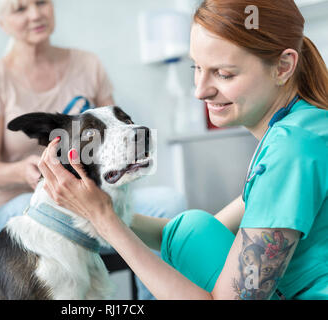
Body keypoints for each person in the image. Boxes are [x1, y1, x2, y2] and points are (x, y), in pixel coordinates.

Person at [37, 0, 328, 300]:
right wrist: (89, 207)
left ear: (283, 67)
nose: (200, 90)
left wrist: (105, 221)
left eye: (224, 74)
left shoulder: (291, 151)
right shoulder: (308, 125)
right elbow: (190, 234)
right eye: (197, 67)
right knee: (191, 228)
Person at [0, 0, 185, 299]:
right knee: (38, 209)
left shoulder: (87, 64)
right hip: (16, 203)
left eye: (41, 2)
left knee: (169, 203)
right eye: (20, 9)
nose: (35, 14)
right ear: (1, 22)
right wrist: (25, 171)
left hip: (90, 194)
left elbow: (115, 132)